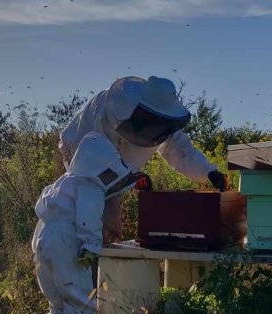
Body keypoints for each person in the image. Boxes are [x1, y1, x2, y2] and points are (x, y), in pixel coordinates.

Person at [59, 76, 228, 242]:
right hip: (80, 158)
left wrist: (209, 172)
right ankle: (82, 259)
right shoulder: (107, 108)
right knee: (84, 214)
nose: (153, 124)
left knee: (109, 230)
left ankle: (105, 264)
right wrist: (131, 176)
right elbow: (98, 156)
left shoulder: (163, 120)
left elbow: (182, 152)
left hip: (116, 166)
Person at [32, 131, 143, 314]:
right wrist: (91, 246)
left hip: (43, 236)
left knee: (54, 291)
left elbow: (41, 209)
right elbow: (88, 218)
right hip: (67, 238)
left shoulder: (62, 182)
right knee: (76, 285)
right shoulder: (89, 186)